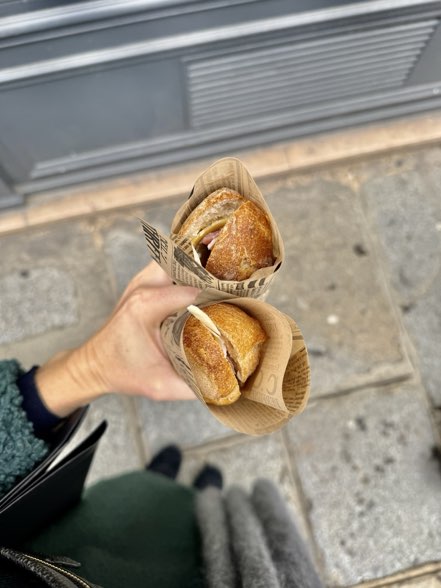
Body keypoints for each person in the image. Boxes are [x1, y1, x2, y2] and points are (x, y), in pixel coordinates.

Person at [0, 262, 323, 588]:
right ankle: (205, 494)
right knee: (203, 513)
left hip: (85, 530)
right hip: (215, 565)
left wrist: (88, 368)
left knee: (136, 493)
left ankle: (157, 477)